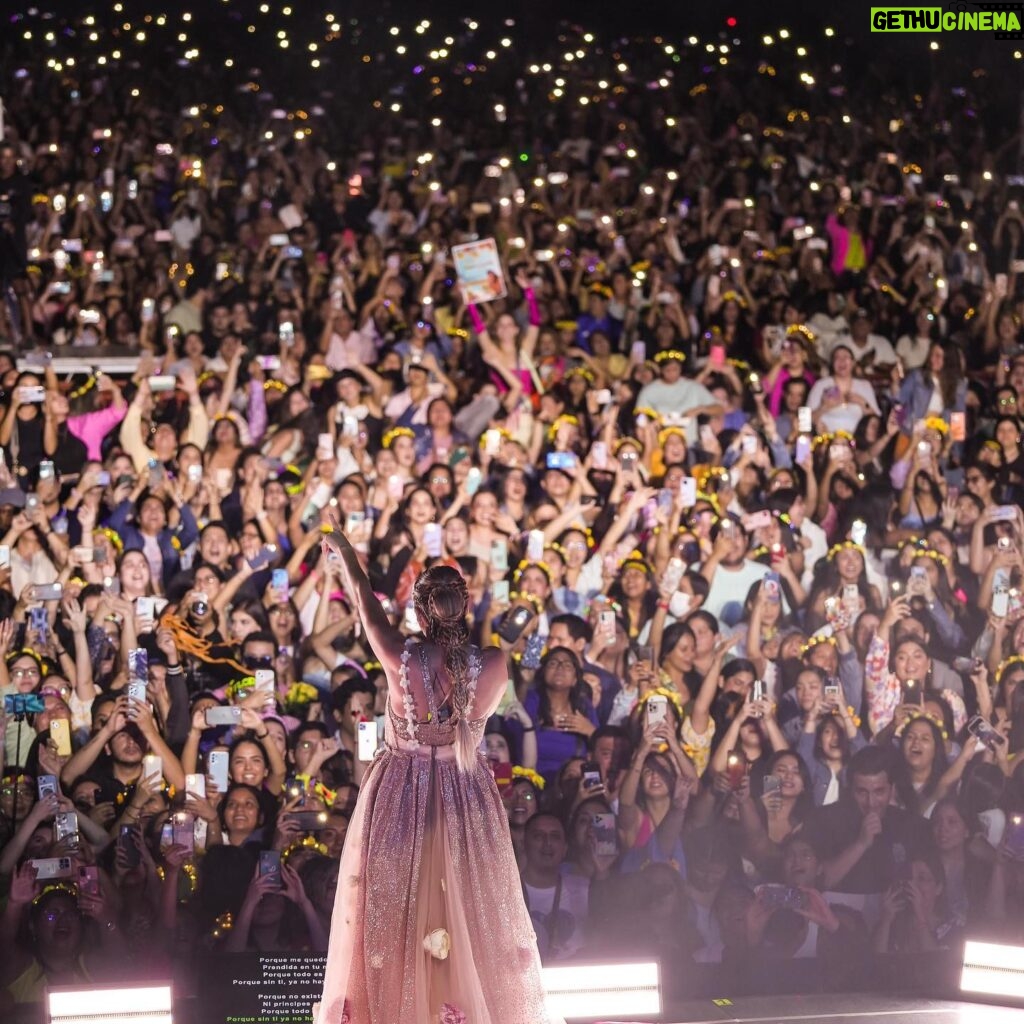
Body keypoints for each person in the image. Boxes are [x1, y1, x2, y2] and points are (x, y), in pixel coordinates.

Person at [315, 526, 560, 1024]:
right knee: (471, 917)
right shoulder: (494, 664)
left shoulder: (402, 654)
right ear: (464, 608)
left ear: (421, 612)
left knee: (397, 922)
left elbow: (365, 603)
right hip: (465, 799)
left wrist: (345, 553)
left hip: (400, 798)